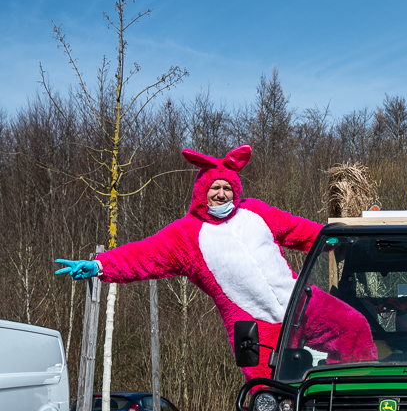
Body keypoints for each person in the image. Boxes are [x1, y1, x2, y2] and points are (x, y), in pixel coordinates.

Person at [55, 145, 375, 379]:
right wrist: (100, 266)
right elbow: (143, 255)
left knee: (354, 328)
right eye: (214, 188)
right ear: (202, 192)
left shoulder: (257, 212)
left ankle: (348, 396)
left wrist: (342, 240)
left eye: (226, 187)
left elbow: (301, 230)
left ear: (235, 190)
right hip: (255, 328)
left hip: (299, 302)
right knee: (265, 391)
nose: (221, 194)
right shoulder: (186, 236)